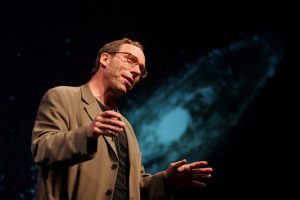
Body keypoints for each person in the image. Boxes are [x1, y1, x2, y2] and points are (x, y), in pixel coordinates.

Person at [31, 38, 213, 200]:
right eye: (130, 60)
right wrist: (87, 134)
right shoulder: (62, 96)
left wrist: (166, 180)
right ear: (105, 59)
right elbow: (41, 148)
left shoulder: (126, 127)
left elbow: (135, 186)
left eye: (141, 71)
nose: (136, 72)